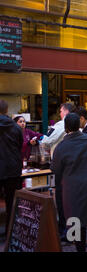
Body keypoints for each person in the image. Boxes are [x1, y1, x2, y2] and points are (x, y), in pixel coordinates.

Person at [50, 113, 87, 252]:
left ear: (66, 128)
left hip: (73, 188)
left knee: (74, 219)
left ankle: (79, 248)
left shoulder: (62, 147)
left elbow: (55, 169)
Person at [40, 102, 74, 238]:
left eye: (60, 111)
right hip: (76, 169)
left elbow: (46, 141)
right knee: (73, 202)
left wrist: (43, 142)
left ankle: (65, 231)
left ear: (65, 112)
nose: (60, 113)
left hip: (63, 168)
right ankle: (75, 236)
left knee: (62, 200)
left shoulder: (60, 125)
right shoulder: (82, 133)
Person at [0, 100, 23, 237]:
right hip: (13, 169)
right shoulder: (16, 127)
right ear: (7, 110)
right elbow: (20, 145)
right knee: (11, 202)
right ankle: (10, 231)